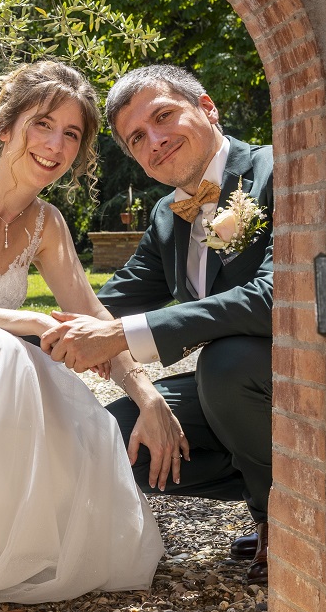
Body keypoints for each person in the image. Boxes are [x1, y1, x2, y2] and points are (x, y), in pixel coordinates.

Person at [0, 60, 182, 611]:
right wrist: (32, 323)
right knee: (6, 350)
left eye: (72, 134)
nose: (56, 144)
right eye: (43, 124)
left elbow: (93, 319)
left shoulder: (47, 225)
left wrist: (149, 397)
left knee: (34, 374)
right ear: (5, 127)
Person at [40, 65, 273, 584]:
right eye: (137, 139)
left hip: (303, 382)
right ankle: (270, 479)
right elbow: (109, 305)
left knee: (225, 363)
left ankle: (282, 517)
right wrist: (18, 339)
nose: (156, 142)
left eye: (164, 116)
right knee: (114, 436)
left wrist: (122, 337)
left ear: (207, 107)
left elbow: (277, 296)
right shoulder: (168, 216)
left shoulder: (278, 171)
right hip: (237, 398)